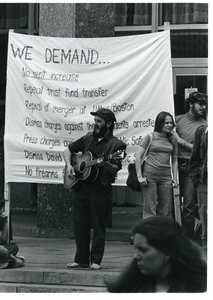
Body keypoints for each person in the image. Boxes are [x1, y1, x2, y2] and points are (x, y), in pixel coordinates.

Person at [63, 108, 126, 270]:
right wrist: (70, 165)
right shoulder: (88, 138)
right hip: (81, 187)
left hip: (100, 189)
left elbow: (115, 169)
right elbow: (67, 150)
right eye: (95, 121)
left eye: (99, 121)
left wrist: (105, 162)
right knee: (79, 223)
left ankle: (96, 260)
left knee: (98, 225)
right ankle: (81, 259)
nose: (95, 124)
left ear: (109, 123)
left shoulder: (116, 145)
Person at [106, 216, 207, 293]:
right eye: (136, 249)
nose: (136, 256)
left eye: (143, 250)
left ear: (167, 251)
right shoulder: (129, 288)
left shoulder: (201, 288)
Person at [173, 92, 207, 240]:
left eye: (205, 105)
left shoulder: (204, 126)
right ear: (191, 104)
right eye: (201, 104)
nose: (204, 107)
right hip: (173, 167)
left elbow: (201, 150)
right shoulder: (176, 121)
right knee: (169, 205)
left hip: (189, 168)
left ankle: (187, 239)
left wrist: (181, 142)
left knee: (188, 206)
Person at [135, 111, 178, 219]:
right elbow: (138, 157)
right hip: (150, 176)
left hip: (166, 177)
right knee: (150, 209)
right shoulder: (150, 137)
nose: (169, 125)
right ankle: (149, 234)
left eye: (171, 123)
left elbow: (174, 160)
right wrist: (140, 177)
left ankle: (163, 235)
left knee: (166, 210)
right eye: (166, 123)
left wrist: (175, 178)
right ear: (159, 123)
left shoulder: (173, 139)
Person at [188, 124, 208, 250]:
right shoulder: (202, 130)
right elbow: (195, 157)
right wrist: (197, 181)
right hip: (204, 180)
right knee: (205, 219)